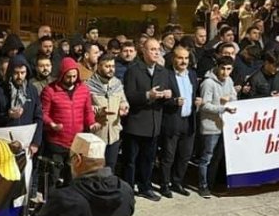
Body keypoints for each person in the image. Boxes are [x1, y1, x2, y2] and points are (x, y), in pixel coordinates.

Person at [122, 38, 170, 201]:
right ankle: (128, 189)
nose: (156, 52)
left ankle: (145, 186)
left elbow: (167, 96)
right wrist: (147, 95)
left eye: (158, 49)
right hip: (135, 123)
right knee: (131, 160)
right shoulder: (133, 71)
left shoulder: (163, 72)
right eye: (152, 49)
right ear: (143, 51)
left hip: (154, 124)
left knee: (148, 160)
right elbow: (128, 96)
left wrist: (168, 96)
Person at [41, 58, 98, 182]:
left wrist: (92, 123)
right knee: (53, 176)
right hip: (57, 141)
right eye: (68, 77)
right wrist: (52, 124)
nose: (71, 79)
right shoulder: (50, 90)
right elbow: (43, 113)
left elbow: (87, 111)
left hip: (77, 141)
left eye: (74, 76)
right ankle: (52, 199)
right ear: (62, 75)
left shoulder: (84, 90)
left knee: (72, 176)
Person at [159, 46, 200, 198]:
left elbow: (195, 93)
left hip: (189, 121)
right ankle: (164, 185)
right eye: (180, 58)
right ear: (173, 59)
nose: (183, 61)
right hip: (172, 121)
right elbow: (161, 99)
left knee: (184, 155)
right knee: (168, 156)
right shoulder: (166, 75)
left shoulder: (193, 75)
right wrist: (173, 101)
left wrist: (197, 101)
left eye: (186, 58)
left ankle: (177, 182)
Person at [0, 54, 43, 156]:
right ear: (10, 73)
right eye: (16, 73)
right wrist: (7, 115)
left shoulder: (32, 90)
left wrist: (36, 142)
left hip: (26, 143)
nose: (19, 76)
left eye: (22, 73)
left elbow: (38, 117)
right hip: (3, 143)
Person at [197, 56, 237, 198]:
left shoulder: (229, 81)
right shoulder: (208, 83)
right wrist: (222, 108)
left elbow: (234, 97)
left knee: (217, 158)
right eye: (223, 68)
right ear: (217, 67)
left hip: (223, 125)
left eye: (228, 69)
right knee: (206, 157)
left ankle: (212, 183)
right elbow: (204, 105)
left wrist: (230, 101)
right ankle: (203, 186)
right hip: (210, 126)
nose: (225, 72)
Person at [85, 53, 128, 172]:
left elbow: (123, 100)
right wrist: (98, 110)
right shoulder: (88, 85)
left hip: (114, 133)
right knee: (96, 168)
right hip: (97, 133)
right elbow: (85, 108)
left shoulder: (117, 84)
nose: (111, 69)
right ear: (99, 66)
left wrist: (124, 106)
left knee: (110, 168)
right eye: (107, 66)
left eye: (113, 66)